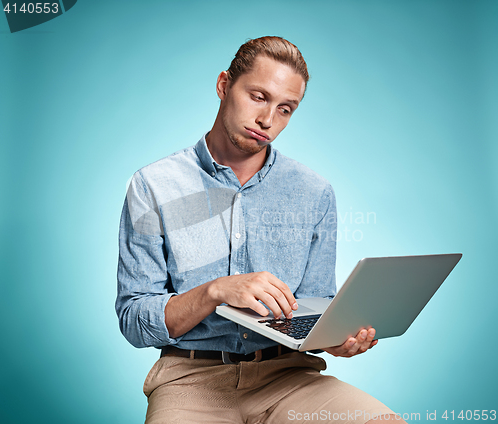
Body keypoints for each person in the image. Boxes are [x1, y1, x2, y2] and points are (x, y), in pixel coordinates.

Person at [116, 36, 406, 424]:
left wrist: (337, 339)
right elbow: (135, 318)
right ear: (224, 86)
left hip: (289, 377)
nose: (268, 120)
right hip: (190, 380)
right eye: (258, 97)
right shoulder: (154, 186)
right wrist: (215, 291)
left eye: (285, 108)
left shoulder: (314, 191)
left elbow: (316, 303)